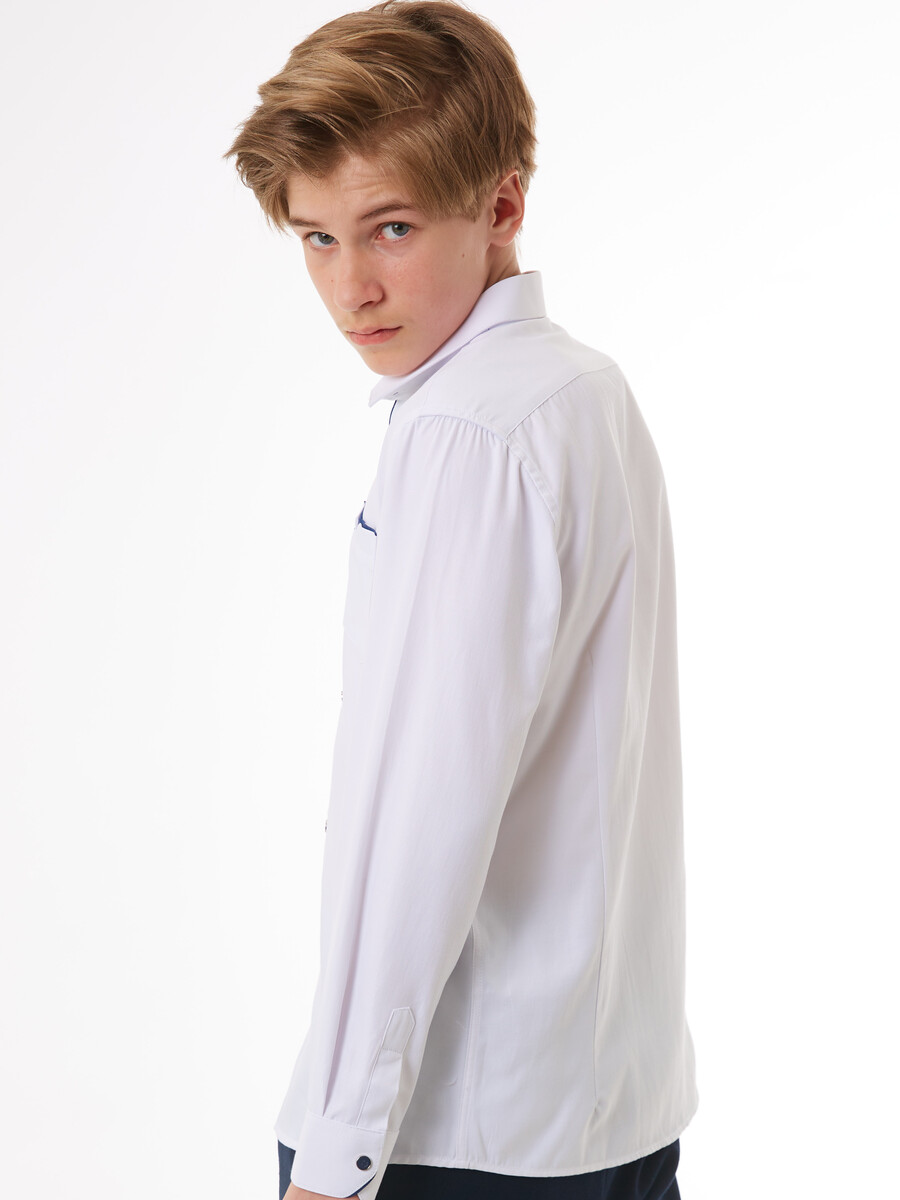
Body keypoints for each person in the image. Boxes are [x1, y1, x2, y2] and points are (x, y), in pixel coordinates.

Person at [225, 3, 698, 1199]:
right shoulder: (585, 392)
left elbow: (420, 814)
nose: (351, 288)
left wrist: (339, 1145)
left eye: (390, 228)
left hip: (448, 1135)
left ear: (501, 204)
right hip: (613, 1113)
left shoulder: (465, 434)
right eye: (317, 238)